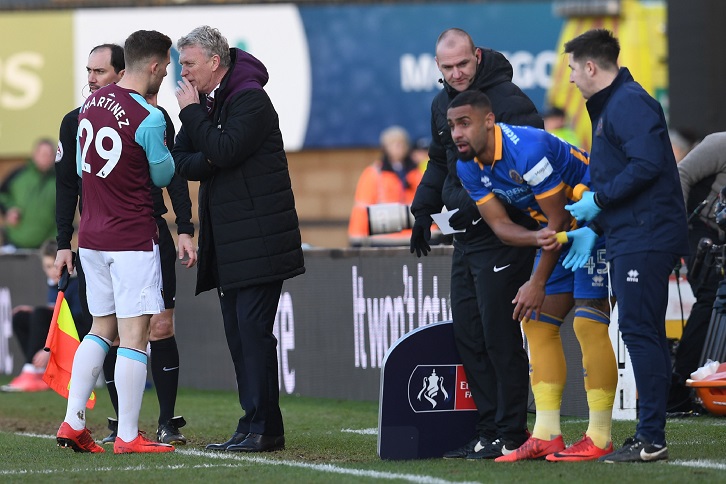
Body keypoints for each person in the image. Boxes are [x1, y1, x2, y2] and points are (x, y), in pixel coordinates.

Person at [452, 90, 617, 462]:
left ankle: (601, 436)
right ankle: (546, 434)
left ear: (489, 121)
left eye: (464, 123)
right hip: (558, 236)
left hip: (593, 225)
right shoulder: (467, 166)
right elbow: (500, 226)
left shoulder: (526, 149)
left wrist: (536, 280)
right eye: (451, 126)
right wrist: (534, 239)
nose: (457, 133)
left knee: (589, 325)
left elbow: (559, 216)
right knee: (539, 324)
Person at [409, 28, 543, 460]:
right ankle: (488, 428)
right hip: (465, 239)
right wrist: (422, 208)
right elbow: (439, 159)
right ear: (437, 67)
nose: (456, 73)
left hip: (504, 236)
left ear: (477, 56)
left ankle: (512, 430)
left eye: (462, 64)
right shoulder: (441, 103)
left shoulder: (509, 102)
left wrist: (481, 207)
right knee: (470, 334)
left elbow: (524, 166)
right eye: (447, 67)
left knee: (499, 335)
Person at [55, 43, 196, 447]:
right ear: (152, 66)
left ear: (120, 68)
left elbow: (75, 178)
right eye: (166, 67)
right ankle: (129, 435)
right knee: (135, 336)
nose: (167, 73)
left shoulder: (87, 110)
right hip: (132, 237)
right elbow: (164, 173)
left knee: (100, 331)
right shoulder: (149, 117)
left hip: (93, 238)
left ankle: (73, 422)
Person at [173, 25, 305, 453]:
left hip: (260, 239)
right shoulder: (211, 103)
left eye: (189, 63)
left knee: (252, 334)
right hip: (232, 241)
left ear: (214, 62)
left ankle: (265, 427)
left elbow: (225, 151)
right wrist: (209, 151)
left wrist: (197, 124)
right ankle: (253, 424)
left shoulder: (249, 99)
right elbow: (182, 160)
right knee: (240, 336)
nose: (184, 72)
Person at [563, 28, 689, 463]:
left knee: (640, 332)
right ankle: (650, 434)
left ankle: (651, 438)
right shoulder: (612, 105)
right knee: (644, 332)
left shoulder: (628, 102)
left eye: (573, 70)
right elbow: (628, 172)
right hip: (633, 233)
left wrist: (598, 200)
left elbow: (649, 164)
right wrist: (596, 226)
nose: (571, 79)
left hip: (646, 234)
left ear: (591, 67)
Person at [669, 132, 726, 412]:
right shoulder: (720, 142)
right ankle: (680, 386)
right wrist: (677, 232)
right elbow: (681, 174)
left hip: (720, 233)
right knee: (711, 298)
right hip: (698, 228)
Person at [1, 239, 82, 393]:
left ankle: (33, 373)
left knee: (40, 313)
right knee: (21, 317)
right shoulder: (53, 284)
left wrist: (49, 349)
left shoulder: (77, 283)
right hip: (58, 338)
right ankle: (36, 372)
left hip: (75, 340)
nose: (51, 271)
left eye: (54, 265)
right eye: (47, 266)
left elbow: (77, 321)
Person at [348, 125, 423, 246]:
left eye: (401, 143)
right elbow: (362, 208)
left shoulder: (417, 174)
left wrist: (433, 233)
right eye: (393, 143)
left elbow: (427, 204)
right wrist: (357, 239)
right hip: (383, 239)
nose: (398, 146)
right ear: (385, 147)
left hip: (412, 238)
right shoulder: (374, 174)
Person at [0, 138, 57, 250]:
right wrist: (8, 210)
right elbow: (2, 195)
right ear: (34, 154)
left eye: (50, 154)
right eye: (43, 154)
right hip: (15, 241)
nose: (46, 158)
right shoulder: (18, 174)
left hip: (46, 245)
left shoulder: (59, 179)